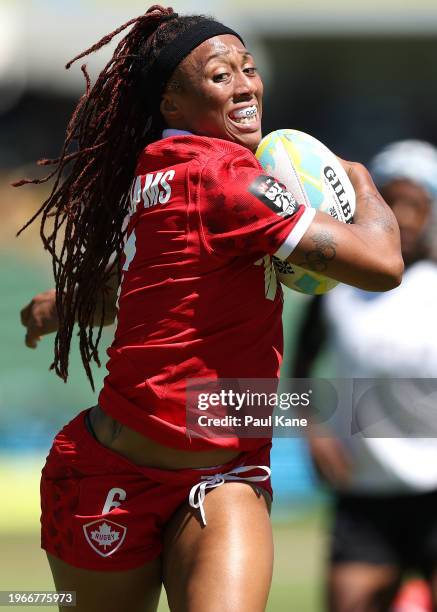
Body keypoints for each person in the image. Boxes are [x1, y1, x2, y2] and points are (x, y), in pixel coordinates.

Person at [17, 6, 403, 611]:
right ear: (171, 104)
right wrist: (359, 180)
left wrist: (65, 307)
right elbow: (382, 265)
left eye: (249, 69)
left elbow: (156, 286)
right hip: (111, 476)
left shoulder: (154, 172)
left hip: (221, 474)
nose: (247, 86)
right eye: (221, 76)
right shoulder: (230, 181)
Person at [293, 140, 437, 612]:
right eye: (393, 202)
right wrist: (313, 433)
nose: (405, 218)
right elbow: (300, 369)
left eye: (416, 205)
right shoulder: (336, 287)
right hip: (364, 491)